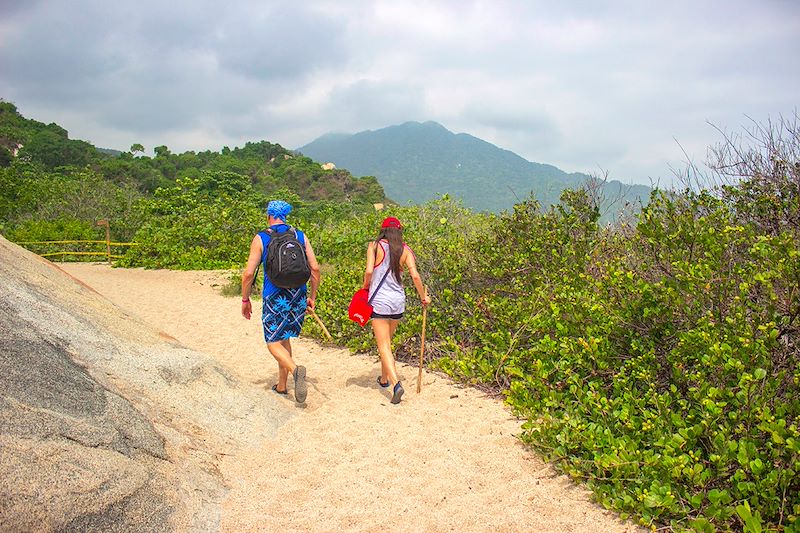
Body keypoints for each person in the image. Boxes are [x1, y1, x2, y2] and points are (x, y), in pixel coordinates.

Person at [241, 200, 321, 403]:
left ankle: (295, 370)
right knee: (284, 337)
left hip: (274, 294)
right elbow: (315, 269)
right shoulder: (299, 235)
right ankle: (282, 386)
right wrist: (311, 297)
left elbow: (249, 273)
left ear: (268, 215)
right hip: (297, 295)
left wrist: (245, 298)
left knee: (273, 341)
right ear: (286, 216)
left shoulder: (261, 237)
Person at [362, 216, 430, 404]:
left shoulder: (374, 246)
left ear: (382, 230)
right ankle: (383, 379)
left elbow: (369, 272)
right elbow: (415, 276)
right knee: (388, 343)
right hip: (398, 302)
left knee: (383, 345)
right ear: (399, 232)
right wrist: (423, 297)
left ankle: (395, 384)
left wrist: (365, 288)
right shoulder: (406, 250)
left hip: (380, 301)